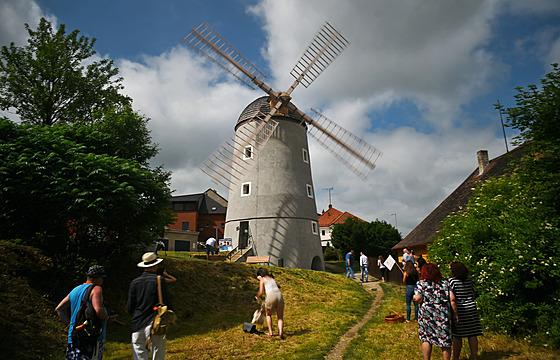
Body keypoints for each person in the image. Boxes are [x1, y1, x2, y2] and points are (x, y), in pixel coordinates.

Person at [55, 265, 116, 360]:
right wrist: (108, 318)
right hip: (91, 338)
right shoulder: (96, 289)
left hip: (74, 337)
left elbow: (59, 309)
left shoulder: (75, 290)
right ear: (99, 278)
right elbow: (98, 310)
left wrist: (68, 325)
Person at [127, 252, 173, 360]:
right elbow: (166, 301)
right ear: (155, 265)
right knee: (157, 354)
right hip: (155, 322)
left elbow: (129, 307)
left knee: (139, 356)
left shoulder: (135, 282)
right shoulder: (159, 280)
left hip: (137, 323)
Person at [413, 263, 458, 360]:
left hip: (427, 313)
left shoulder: (421, 283)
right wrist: (455, 314)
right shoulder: (445, 283)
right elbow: (452, 298)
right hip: (443, 312)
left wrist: (415, 297)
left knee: (426, 339)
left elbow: (418, 299)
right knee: (445, 340)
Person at [449, 262, 483, 360]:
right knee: (472, 334)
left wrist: (454, 313)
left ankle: (456, 357)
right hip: (471, 307)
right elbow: (472, 294)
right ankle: (474, 356)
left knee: (457, 335)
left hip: (460, 309)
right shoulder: (469, 281)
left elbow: (452, 297)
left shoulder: (452, 281)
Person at [256, 267, 285, 338]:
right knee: (280, 317)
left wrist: (258, 297)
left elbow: (261, 292)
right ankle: (280, 332)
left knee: (268, 315)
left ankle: (271, 332)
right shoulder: (272, 279)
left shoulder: (262, 280)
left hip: (271, 296)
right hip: (279, 295)